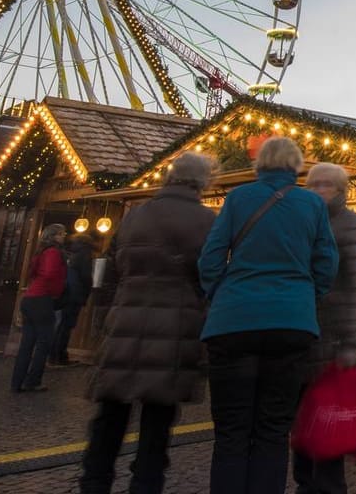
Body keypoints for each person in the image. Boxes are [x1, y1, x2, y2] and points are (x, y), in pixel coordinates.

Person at [200, 136, 337, 494]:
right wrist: (306, 297)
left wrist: (222, 295)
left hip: (232, 322)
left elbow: (211, 257)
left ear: (260, 164)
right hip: (291, 323)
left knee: (231, 431)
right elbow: (326, 262)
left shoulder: (238, 198)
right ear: (296, 165)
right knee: (273, 430)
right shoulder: (311, 204)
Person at [80, 152, 218, 494]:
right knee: (158, 423)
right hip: (176, 329)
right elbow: (210, 276)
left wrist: (109, 312)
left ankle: (94, 483)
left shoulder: (134, 216)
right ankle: (145, 485)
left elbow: (110, 270)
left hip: (125, 322)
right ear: (203, 182)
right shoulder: (207, 221)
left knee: (109, 417)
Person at [293, 163, 356, 494]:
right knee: (302, 423)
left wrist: (353, 342)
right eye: (313, 184)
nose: (319, 190)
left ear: (342, 190)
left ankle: (325, 488)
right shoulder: (303, 222)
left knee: (329, 423)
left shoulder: (351, 224)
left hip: (334, 337)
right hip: (302, 335)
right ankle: (304, 484)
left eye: (326, 185)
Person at [12, 223, 68, 392]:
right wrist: (55, 292)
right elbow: (50, 274)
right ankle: (33, 380)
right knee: (44, 342)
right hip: (42, 299)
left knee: (27, 343)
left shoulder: (41, 251)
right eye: (62, 233)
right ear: (55, 235)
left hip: (31, 298)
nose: (64, 236)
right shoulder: (53, 252)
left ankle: (17, 381)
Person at [54, 234, 97, 365]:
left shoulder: (73, 253)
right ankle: (60, 356)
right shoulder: (85, 253)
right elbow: (85, 275)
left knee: (62, 325)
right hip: (76, 294)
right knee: (67, 326)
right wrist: (88, 288)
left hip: (67, 293)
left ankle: (55, 354)